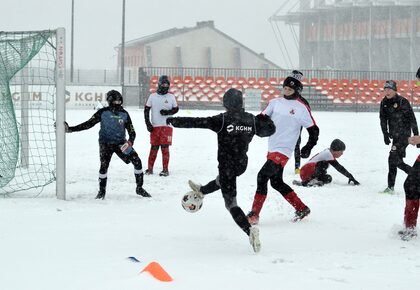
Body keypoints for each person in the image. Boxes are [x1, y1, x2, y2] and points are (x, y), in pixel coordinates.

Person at [166, 88, 275, 253]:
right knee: (222, 181)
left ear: (226, 103)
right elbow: (270, 130)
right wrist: (265, 120)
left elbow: (197, 122)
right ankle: (202, 190)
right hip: (241, 165)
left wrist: (174, 121)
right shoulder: (251, 120)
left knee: (231, 204)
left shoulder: (222, 120)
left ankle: (249, 230)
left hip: (226, 166)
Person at [247, 70, 319, 225]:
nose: (286, 91)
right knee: (276, 182)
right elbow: (260, 118)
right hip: (272, 148)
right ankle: (301, 208)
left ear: (297, 90)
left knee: (262, 176)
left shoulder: (301, 108)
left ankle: (254, 214)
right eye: (285, 88)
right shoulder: (275, 102)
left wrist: (308, 146)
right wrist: (252, 127)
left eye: (290, 89)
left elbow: (314, 130)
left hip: (284, 150)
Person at [65, 90, 151, 199]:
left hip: (121, 144)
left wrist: (130, 142)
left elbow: (132, 131)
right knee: (104, 167)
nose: (118, 103)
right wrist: (71, 129)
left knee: (137, 161)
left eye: (120, 101)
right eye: (116, 101)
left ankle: (139, 188)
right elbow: (88, 124)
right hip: (105, 144)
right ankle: (102, 191)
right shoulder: (103, 112)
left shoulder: (124, 114)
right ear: (110, 101)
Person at [379, 80, 419, 194]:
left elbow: (412, 119)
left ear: (395, 90)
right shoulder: (384, 103)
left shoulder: (402, 101)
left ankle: (392, 187)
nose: (387, 92)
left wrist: (416, 136)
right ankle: (414, 175)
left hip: (404, 136)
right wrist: (385, 134)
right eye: (385, 89)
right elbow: (383, 120)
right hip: (395, 137)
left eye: (389, 89)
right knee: (397, 161)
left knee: (392, 159)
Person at [144, 75, 179, 176]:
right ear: (159, 84)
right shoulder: (152, 96)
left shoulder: (171, 96)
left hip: (167, 126)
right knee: (154, 147)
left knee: (165, 148)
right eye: (163, 84)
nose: (165, 86)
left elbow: (176, 109)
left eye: (167, 84)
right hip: (155, 127)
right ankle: (150, 169)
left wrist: (168, 112)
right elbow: (146, 110)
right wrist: (147, 123)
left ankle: (165, 170)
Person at [294, 93, 311, 175]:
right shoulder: (286, 99)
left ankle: (297, 167)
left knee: (296, 145)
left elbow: (308, 113)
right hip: (285, 125)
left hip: (297, 125)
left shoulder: (303, 101)